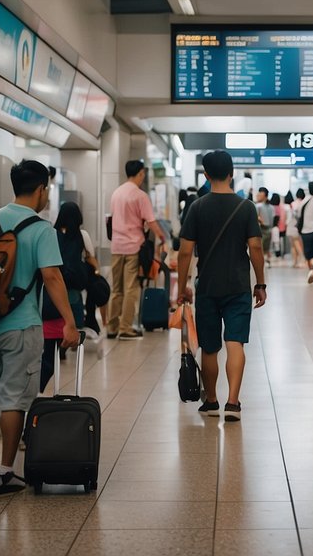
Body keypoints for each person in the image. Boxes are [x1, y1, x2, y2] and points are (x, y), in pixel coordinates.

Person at [0, 160, 80, 500]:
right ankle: (5, 471)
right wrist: (69, 322)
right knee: (15, 398)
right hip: (22, 324)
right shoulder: (42, 229)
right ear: (42, 189)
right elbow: (52, 277)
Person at [176, 151, 267, 423]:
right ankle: (233, 403)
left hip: (207, 285)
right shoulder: (246, 207)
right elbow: (255, 247)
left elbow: (185, 252)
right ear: (232, 173)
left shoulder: (197, 207)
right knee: (235, 342)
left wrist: (182, 286)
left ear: (205, 175)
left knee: (210, 347)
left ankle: (212, 400)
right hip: (238, 284)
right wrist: (260, 282)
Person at [106, 160, 166, 340]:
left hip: (116, 246)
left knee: (116, 289)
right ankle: (125, 328)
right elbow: (151, 221)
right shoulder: (140, 196)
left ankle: (112, 328)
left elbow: (111, 219)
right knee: (132, 287)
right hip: (133, 247)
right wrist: (162, 238)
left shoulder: (116, 193)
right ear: (140, 173)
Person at [41, 202, 96, 391]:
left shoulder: (52, 235)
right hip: (73, 287)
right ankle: (66, 341)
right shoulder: (82, 236)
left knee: (55, 318)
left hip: (54, 287)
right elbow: (91, 258)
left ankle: (59, 344)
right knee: (72, 310)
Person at [254, 188, 274, 266]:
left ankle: (262, 262)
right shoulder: (271, 207)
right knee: (266, 248)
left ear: (265, 196)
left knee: (261, 248)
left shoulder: (258, 205)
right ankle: (266, 261)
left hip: (262, 229)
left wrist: (261, 221)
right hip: (269, 229)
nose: (258, 196)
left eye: (260, 194)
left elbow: (256, 217)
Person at [287, 188, 306, 268]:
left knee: (294, 244)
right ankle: (296, 262)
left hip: (292, 225)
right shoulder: (304, 203)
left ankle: (301, 259)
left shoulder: (293, 204)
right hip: (300, 226)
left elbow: (290, 216)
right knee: (298, 243)